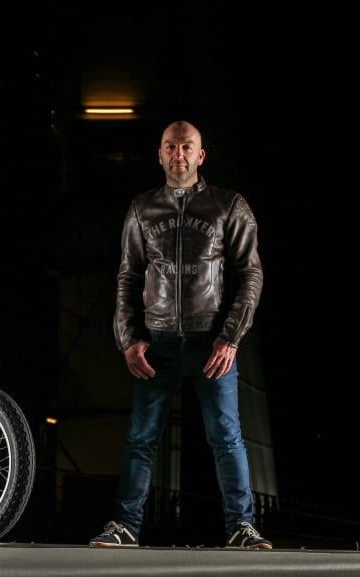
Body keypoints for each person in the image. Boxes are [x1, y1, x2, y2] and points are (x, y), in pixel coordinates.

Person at [89, 120, 271, 550]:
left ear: (200, 155)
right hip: (157, 343)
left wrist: (230, 337)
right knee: (141, 439)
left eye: (187, 147)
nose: (178, 154)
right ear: (160, 154)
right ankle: (124, 526)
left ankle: (242, 528)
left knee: (226, 438)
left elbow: (250, 275)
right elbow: (128, 277)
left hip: (212, 343)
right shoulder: (142, 208)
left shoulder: (229, 206)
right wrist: (128, 338)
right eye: (170, 147)